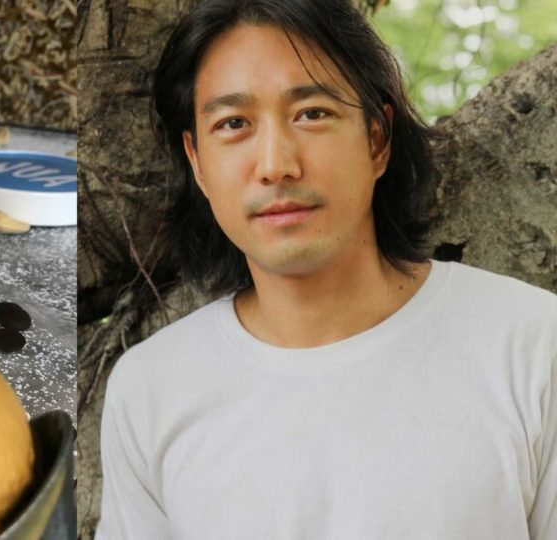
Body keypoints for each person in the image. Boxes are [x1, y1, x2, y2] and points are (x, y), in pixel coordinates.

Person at [95, 0, 557, 538]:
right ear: (197, 162)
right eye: (233, 123)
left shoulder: (533, 343)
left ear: (377, 139)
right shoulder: (150, 388)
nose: (275, 165)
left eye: (312, 113)